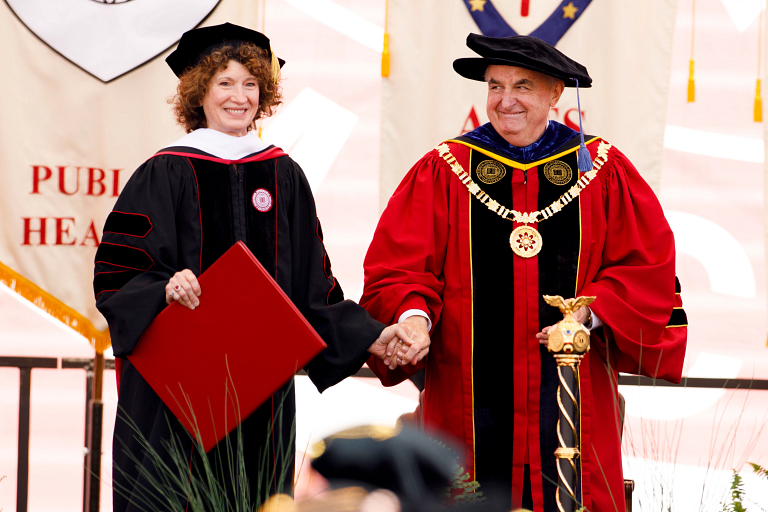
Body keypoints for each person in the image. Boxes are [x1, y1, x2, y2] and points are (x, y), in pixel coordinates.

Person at [93, 23, 424, 512]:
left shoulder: (283, 174)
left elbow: (313, 290)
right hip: (177, 393)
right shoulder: (164, 171)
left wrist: (371, 336)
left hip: (260, 396)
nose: (239, 96)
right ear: (198, 90)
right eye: (224, 82)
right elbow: (119, 273)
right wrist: (164, 287)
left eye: (251, 84)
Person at [360, 34, 688, 512]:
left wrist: (585, 318)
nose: (505, 100)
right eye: (494, 86)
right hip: (465, 395)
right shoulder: (445, 169)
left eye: (522, 86)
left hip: (574, 391)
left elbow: (645, 268)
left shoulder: (601, 169)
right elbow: (399, 268)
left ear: (556, 94)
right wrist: (413, 317)